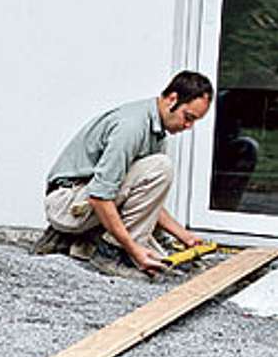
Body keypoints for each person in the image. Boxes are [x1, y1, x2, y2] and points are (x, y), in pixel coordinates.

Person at [35, 71, 213, 276]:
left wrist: (184, 235)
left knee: (160, 256)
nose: (188, 126)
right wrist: (132, 249)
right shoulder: (131, 127)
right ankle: (111, 255)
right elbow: (100, 197)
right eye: (188, 117)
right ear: (172, 99)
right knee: (161, 168)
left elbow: (145, 197)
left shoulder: (155, 129)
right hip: (66, 204)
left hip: (83, 199)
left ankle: (77, 240)